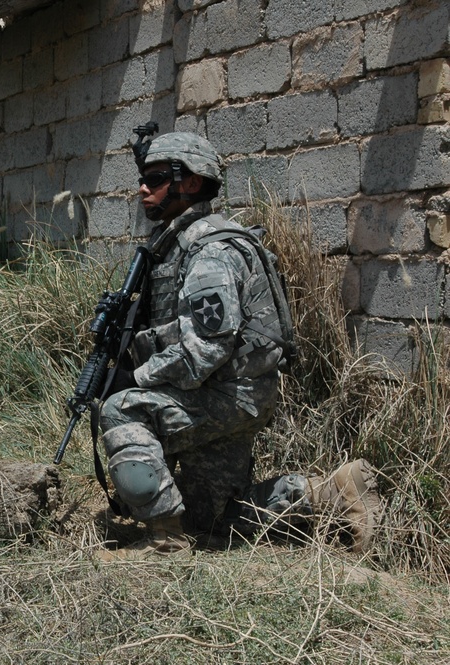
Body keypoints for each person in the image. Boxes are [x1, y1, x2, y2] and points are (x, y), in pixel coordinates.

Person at [95, 130, 381, 560]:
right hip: (234, 393)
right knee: (210, 519)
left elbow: (207, 349)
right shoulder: (183, 242)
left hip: (227, 395)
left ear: (191, 182)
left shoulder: (209, 252)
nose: (142, 189)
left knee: (121, 408)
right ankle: (331, 492)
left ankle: (164, 543)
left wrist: (134, 377)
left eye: (155, 179)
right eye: (143, 179)